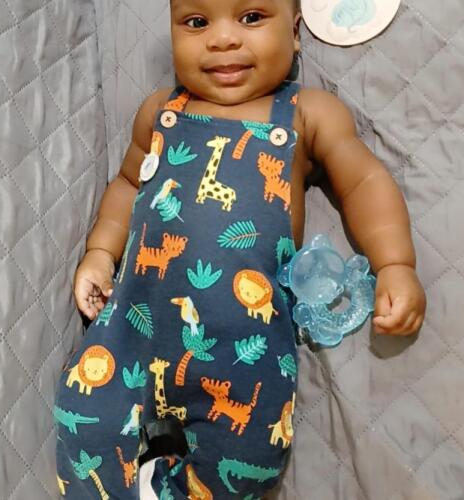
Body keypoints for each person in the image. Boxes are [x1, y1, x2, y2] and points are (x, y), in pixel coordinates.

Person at [55, 0, 426, 498]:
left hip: (244, 352)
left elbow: (364, 183)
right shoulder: (160, 112)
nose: (223, 38)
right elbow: (126, 184)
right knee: (83, 419)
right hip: (133, 327)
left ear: (295, 32)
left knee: (250, 459)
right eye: (196, 22)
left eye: (251, 18)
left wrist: (395, 263)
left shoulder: (307, 113)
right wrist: (101, 252)